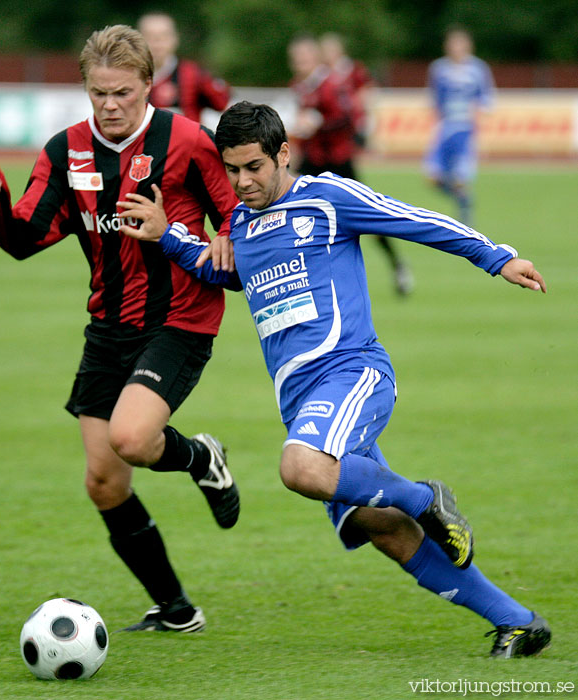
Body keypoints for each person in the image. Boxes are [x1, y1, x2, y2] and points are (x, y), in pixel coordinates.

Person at [117, 101, 551, 657]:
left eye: (254, 167)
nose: (242, 182)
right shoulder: (243, 225)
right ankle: (518, 622)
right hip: (303, 403)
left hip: (354, 374)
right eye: (232, 170)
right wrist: (168, 236)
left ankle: (426, 498)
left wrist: (496, 258)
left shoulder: (327, 198)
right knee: (383, 527)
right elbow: (227, 273)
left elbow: (415, 220)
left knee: (299, 467)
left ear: (282, 155)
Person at [0, 25, 240, 634]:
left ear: (149, 84)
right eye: (99, 94)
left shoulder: (189, 142)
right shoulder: (65, 152)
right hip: (107, 325)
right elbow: (23, 239)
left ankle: (200, 456)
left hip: (180, 318)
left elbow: (238, 219)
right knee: (103, 480)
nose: (110, 105)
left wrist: (204, 233)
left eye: (122, 92)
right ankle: (176, 609)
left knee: (133, 438)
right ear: (86, 90)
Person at [288, 34, 413, 296]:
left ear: (315, 58)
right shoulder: (300, 87)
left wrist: (319, 122)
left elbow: (346, 119)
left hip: (338, 161)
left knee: (368, 215)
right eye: (296, 59)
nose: (300, 64)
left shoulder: (331, 84)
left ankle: (398, 266)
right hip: (314, 162)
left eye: (305, 58)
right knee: (295, 213)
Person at [425, 26, 495, 226]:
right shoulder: (438, 68)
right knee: (433, 178)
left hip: (465, 130)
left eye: (460, 43)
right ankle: (464, 200)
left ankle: (464, 220)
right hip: (445, 128)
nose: (456, 47)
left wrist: (479, 111)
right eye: (452, 43)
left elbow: (487, 98)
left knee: (460, 177)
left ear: (468, 46)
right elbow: (434, 98)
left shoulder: (478, 69)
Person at [138, 12, 231, 123]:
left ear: (175, 39)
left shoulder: (193, 74)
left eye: (163, 36)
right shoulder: (128, 76)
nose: (157, 42)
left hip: (186, 140)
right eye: (150, 36)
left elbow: (228, 108)